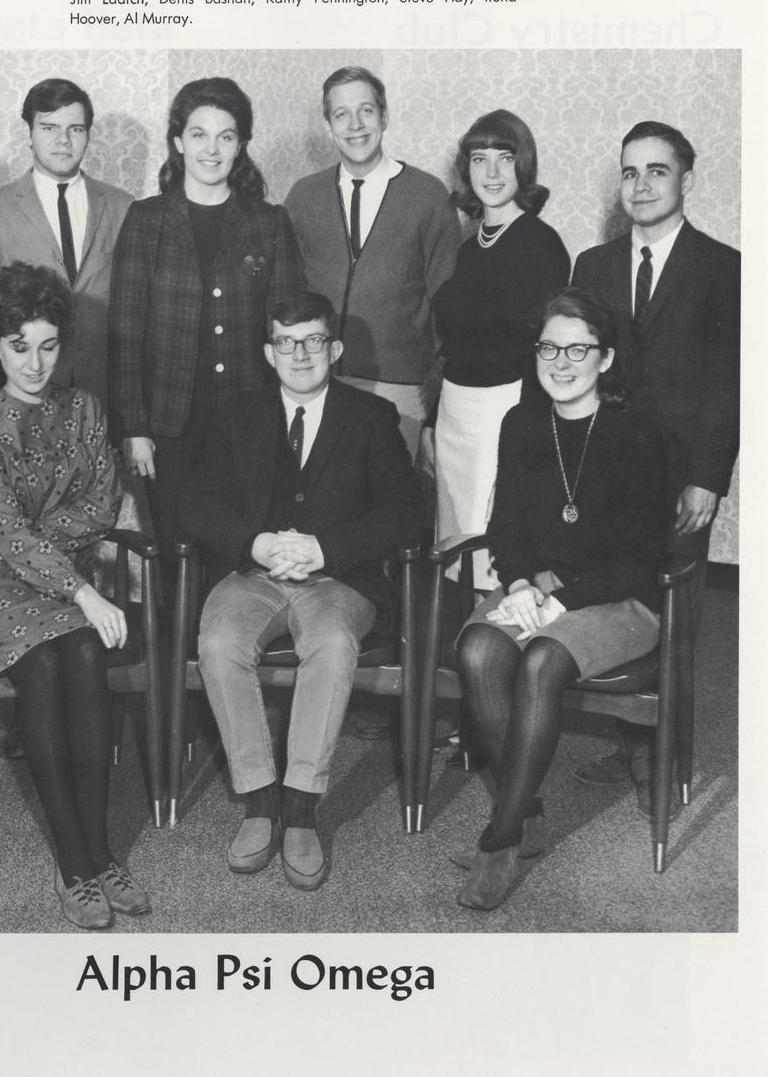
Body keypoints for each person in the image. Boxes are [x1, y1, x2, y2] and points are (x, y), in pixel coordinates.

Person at [179, 291, 425, 891]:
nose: (300, 354)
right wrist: (255, 543)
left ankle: (300, 807)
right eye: (286, 343)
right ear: (269, 353)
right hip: (253, 574)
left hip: (337, 579)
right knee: (219, 644)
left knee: (333, 645)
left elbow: (407, 513)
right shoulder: (236, 413)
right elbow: (197, 502)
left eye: (313, 341)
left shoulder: (371, 417)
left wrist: (327, 548)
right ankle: (260, 798)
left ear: (334, 349)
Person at [0, 263, 149, 930]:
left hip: (39, 570)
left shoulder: (86, 410)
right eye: (19, 346)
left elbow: (101, 506)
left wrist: (16, 540)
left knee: (83, 653)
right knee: (50, 660)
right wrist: (74, 585)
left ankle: (101, 848)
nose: (34, 363)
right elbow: (9, 534)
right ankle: (74, 861)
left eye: (48, 346)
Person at [452, 288, 669, 910]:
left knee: (542, 659)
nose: (561, 362)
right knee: (478, 650)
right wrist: (521, 583)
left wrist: (558, 598)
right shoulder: (522, 423)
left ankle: (500, 837)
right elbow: (507, 527)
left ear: (606, 358)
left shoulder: (637, 433)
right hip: (539, 587)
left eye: (578, 349)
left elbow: (640, 559)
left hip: (621, 600)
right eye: (549, 348)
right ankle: (528, 813)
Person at [572, 121, 740, 812]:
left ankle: (669, 757)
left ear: (686, 180)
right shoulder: (592, 265)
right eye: (630, 172)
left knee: (675, 616)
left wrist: (708, 477)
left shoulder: (724, 267)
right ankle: (631, 743)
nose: (640, 186)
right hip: (604, 472)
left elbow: (729, 382)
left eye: (657, 171)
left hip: (679, 479)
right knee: (615, 604)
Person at [110, 76, 302, 594]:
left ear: (241, 146)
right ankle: (179, 644)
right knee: (176, 547)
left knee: (237, 548)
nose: (211, 149)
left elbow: (287, 332)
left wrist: (286, 419)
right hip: (168, 427)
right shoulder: (146, 219)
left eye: (225, 136)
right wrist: (135, 428)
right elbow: (126, 334)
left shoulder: (268, 222)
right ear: (178, 141)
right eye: (199, 135)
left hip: (247, 419)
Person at [284, 65, 461, 461]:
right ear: (328, 125)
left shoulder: (428, 196)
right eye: (341, 114)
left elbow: (448, 305)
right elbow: (289, 296)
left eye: (366, 110)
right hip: (317, 382)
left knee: (390, 492)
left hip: (400, 388)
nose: (355, 125)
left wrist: (436, 400)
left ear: (384, 116)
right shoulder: (303, 197)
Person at [433, 110, 571, 589]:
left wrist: (526, 434)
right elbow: (454, 345)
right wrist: (431, 419)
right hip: (455, 411)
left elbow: (544, 353)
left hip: (505, 410)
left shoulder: (541, 244)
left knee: (496, 543)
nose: (491, 173)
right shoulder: (468, 247)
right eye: (479, 159)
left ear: (523, 165)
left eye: (505, 158)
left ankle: (489, 629)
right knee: (456, 546)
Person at [0, 77, 133, 404]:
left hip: (103, 388)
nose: (63, 140)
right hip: (23, 391)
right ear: (29, 133)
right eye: (49, 128)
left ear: (88, 135)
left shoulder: (122, 206)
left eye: (75, 129)